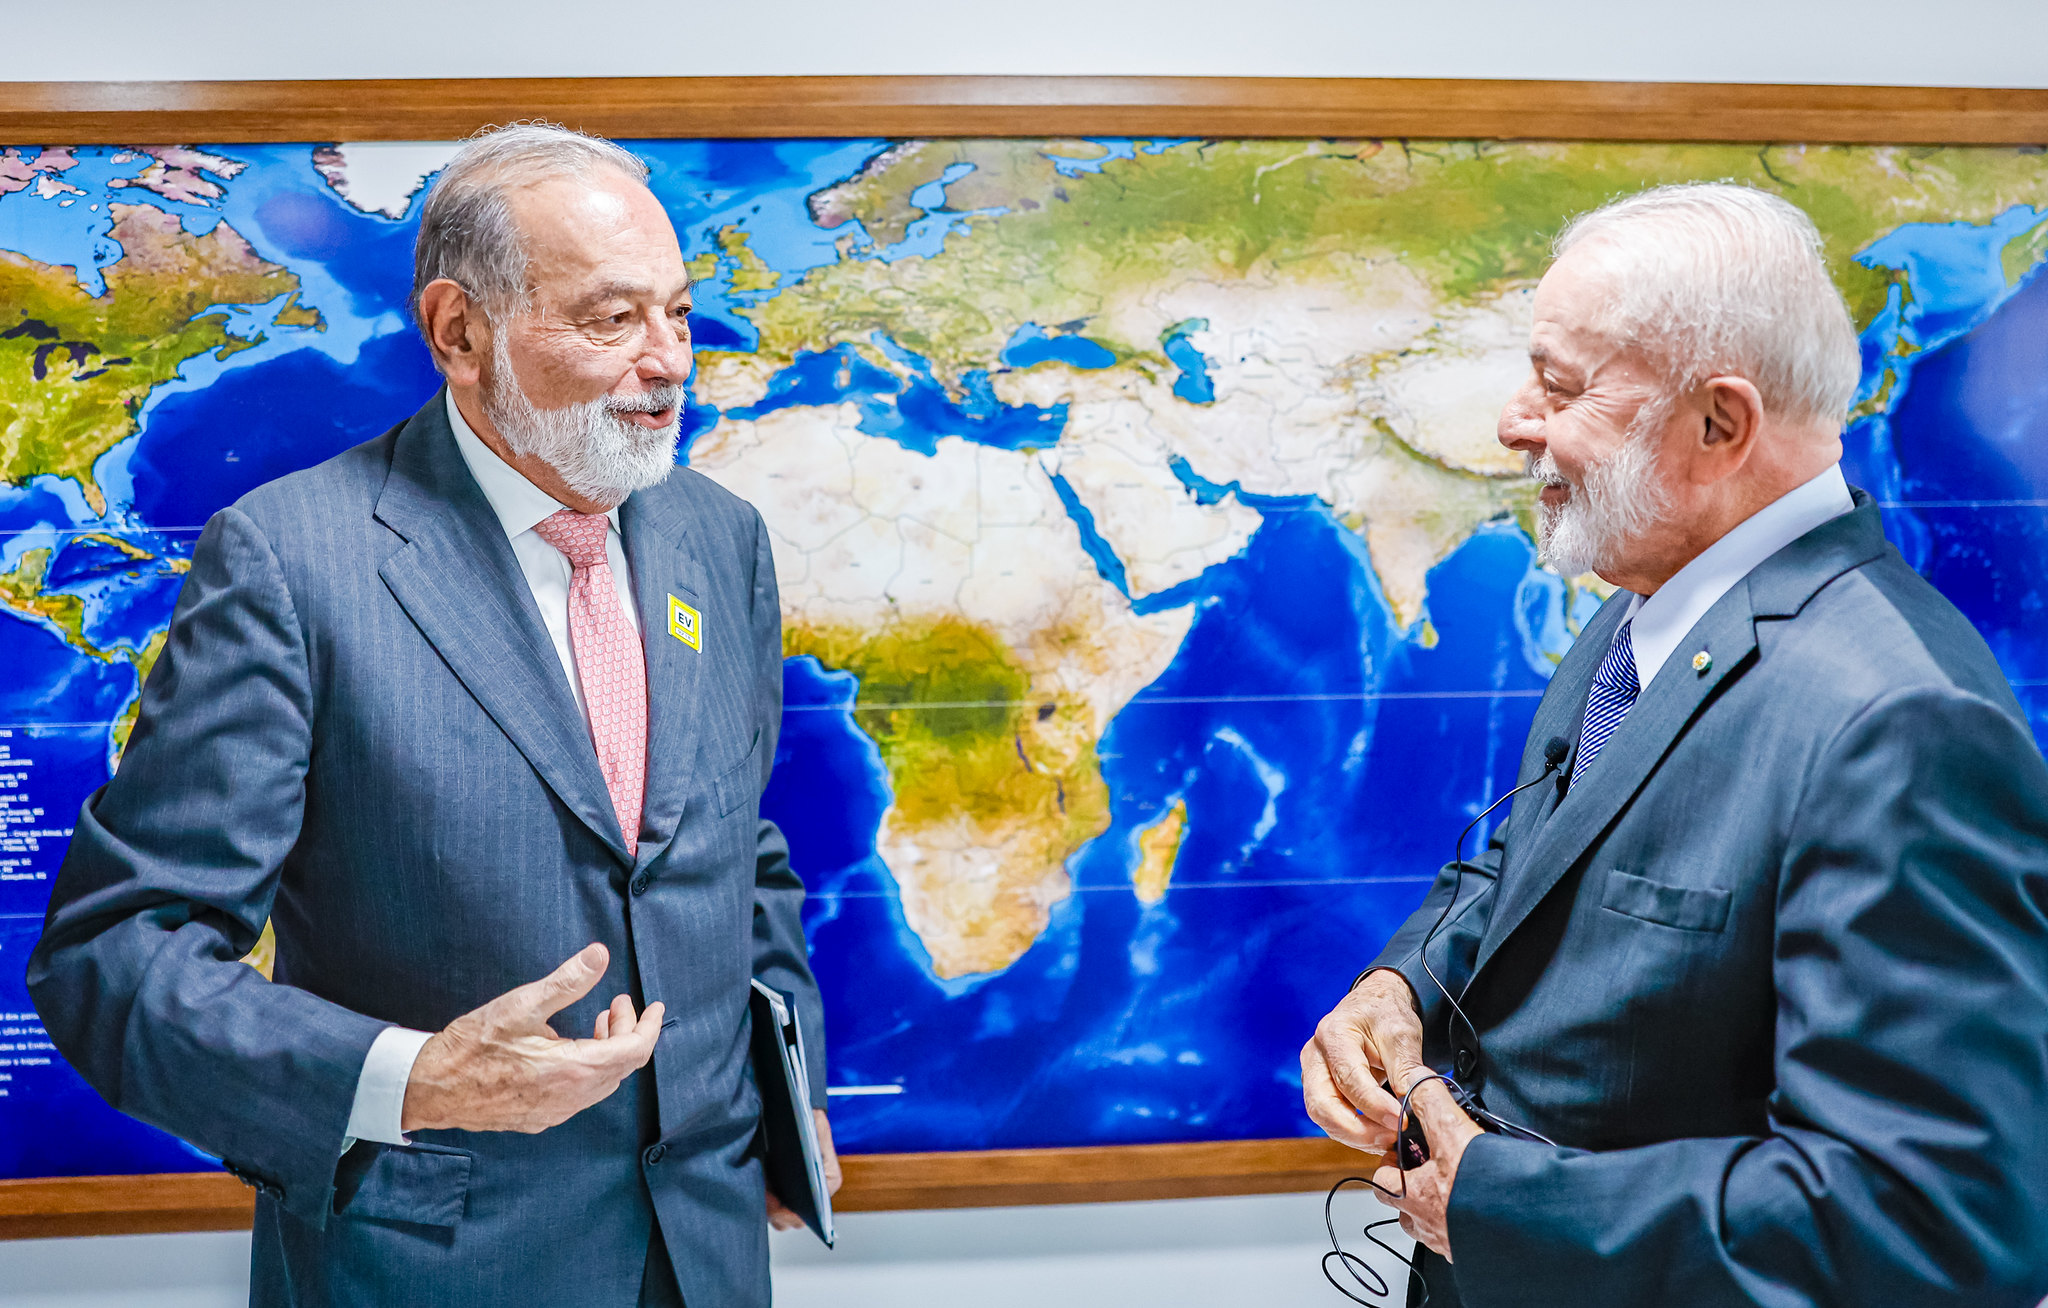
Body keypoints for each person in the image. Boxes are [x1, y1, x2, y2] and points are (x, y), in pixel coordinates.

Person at [28, 122, 837, 1307]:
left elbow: (732, 851)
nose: (671, 359)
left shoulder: (720, 540)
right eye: (613, 319)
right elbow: (114, 957)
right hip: (437, 1266)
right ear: (460, 332)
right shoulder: (291, 564)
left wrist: (783, 1087)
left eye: (675, 310)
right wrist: (412, 1079)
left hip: (709, 1256)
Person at [1301, 183, 2048, 1307]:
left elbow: (1941, 1218)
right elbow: (1530, 868)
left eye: (1559, 386)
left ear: (1719, 425)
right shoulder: (1643, 608)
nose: (1514, 421)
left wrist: (1502, 1207)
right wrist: (1399, 985)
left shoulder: (1900, 722)